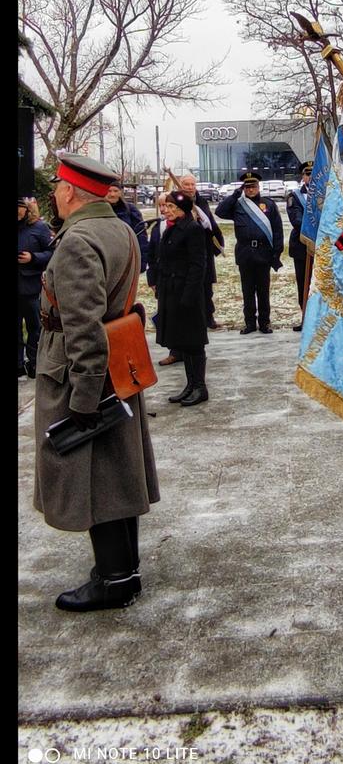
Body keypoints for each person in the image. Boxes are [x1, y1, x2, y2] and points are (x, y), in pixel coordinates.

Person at [34, 153, 160, 612]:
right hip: (118, 362)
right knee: (119, 471)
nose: (53, 196)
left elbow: (83, 327)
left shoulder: (76, 242)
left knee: (97, 479)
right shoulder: (121, 229)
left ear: (69, 192)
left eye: (56, 189)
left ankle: (113, 581)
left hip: (82, 371)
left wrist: (84, 397)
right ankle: (123, 570)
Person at [155, 190, 209, 406]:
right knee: (183, 342)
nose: (166, 211)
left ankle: (200, 387)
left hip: (188, 294)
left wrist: (188, 296)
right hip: (172, 291)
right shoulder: (172, 229)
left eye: (171, 207)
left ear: (182, 210)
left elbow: (198, 265)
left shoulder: (192, 229)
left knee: (193, 341)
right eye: (166, 207)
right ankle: (190, 384)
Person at [216, 170, 284, 334]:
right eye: (247, 187)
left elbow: (277, 230)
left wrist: (276, 253)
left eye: (253, 186)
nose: (250, 190)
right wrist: (235, 194)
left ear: (258, 187)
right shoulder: (238, 204)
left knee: (263, 290)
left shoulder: (268, 204)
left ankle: (265, 322)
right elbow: (219, 211)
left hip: (263, 252)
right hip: (245, 253)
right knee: (247, 291)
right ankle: (250, 323)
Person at [179, 174, 225, 331]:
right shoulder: (176, 202)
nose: (190, 187)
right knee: (191, 286)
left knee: (206, 287)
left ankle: (208, 317)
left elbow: (210, 222)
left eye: (192, 184)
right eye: (186, 184)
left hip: (204, 249)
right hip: (186, 252)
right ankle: (192, 319)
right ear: (181, 185)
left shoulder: (201, 201)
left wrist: (218, 240)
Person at [18, 197, 54, 379]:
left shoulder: (39, 228)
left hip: (31, 287)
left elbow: (51, 253)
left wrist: (33, 258)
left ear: (27, 209)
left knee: (34, 327)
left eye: (19, 207)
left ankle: (34, 363)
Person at [147, 193, 182, 366]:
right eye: (160, 205)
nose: (163, 209)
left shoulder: (184, 226)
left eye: (167, 205)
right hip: (162, 278)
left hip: (178, 279)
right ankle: (173, 349)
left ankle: (181, 350)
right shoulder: (157, 227)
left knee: (179, 316)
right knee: (166, 315)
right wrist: (152, 279)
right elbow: (151, 254)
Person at [286, 159, 312, 331]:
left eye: (313, 173)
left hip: (323, 248)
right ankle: (306, 320)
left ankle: (320, 320)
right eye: (307, 174)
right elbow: (296, 220)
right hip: (302, 247)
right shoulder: (294, 196)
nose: (310, 176)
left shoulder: (328, 194)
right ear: (303, 177)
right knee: (303, 284)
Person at [105, 183, 149, 273]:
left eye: (115, 191)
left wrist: (142, 261)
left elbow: (141, 235)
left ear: (120, 192)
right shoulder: (98, 210)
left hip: (126, 256)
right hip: (105, 256)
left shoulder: (130, 210)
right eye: (109, 191)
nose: (112, 194)